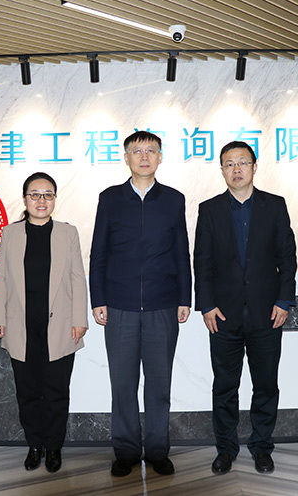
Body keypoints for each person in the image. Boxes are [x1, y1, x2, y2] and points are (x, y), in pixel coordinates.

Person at [89, 131, 192, 477]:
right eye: (137, 151)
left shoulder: (173, 199)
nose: (144, 156)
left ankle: (158, 450)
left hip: (163, 305)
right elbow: (99, 252)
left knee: (159, 384)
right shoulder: (110, 198)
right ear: (126, 158)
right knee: (123, 384)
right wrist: (99, 298)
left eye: (151, 150)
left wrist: (184, 297)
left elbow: (182, 252)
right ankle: (127, 451)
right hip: (120, 306)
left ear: (160, 157)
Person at [193, 141, 297, 475]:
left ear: (254, 166)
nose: (236, 169)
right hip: (223, 315)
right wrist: (206, 305)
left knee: (265, 385)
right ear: (222, 170)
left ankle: (262, 447)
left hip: (268, 313)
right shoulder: (209, 209)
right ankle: (226, 449)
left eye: (242, 162)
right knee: (225, 387)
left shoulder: (274, 205)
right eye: (229, 164)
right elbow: (201, 263)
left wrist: (284, 300)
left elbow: (287, 258)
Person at [0, 172, 88, 473]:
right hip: (21, 325)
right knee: (28, 391)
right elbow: (1, 278)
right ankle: (35, 445)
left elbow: (77, 278)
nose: (41, 200)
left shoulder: (67, 233)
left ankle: (54, 447)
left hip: (61, 326)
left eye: (48, 195)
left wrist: (80, 319)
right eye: (35, 194)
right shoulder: (10, 234)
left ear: (55, 200)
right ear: (25, 199)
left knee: (57, 391)